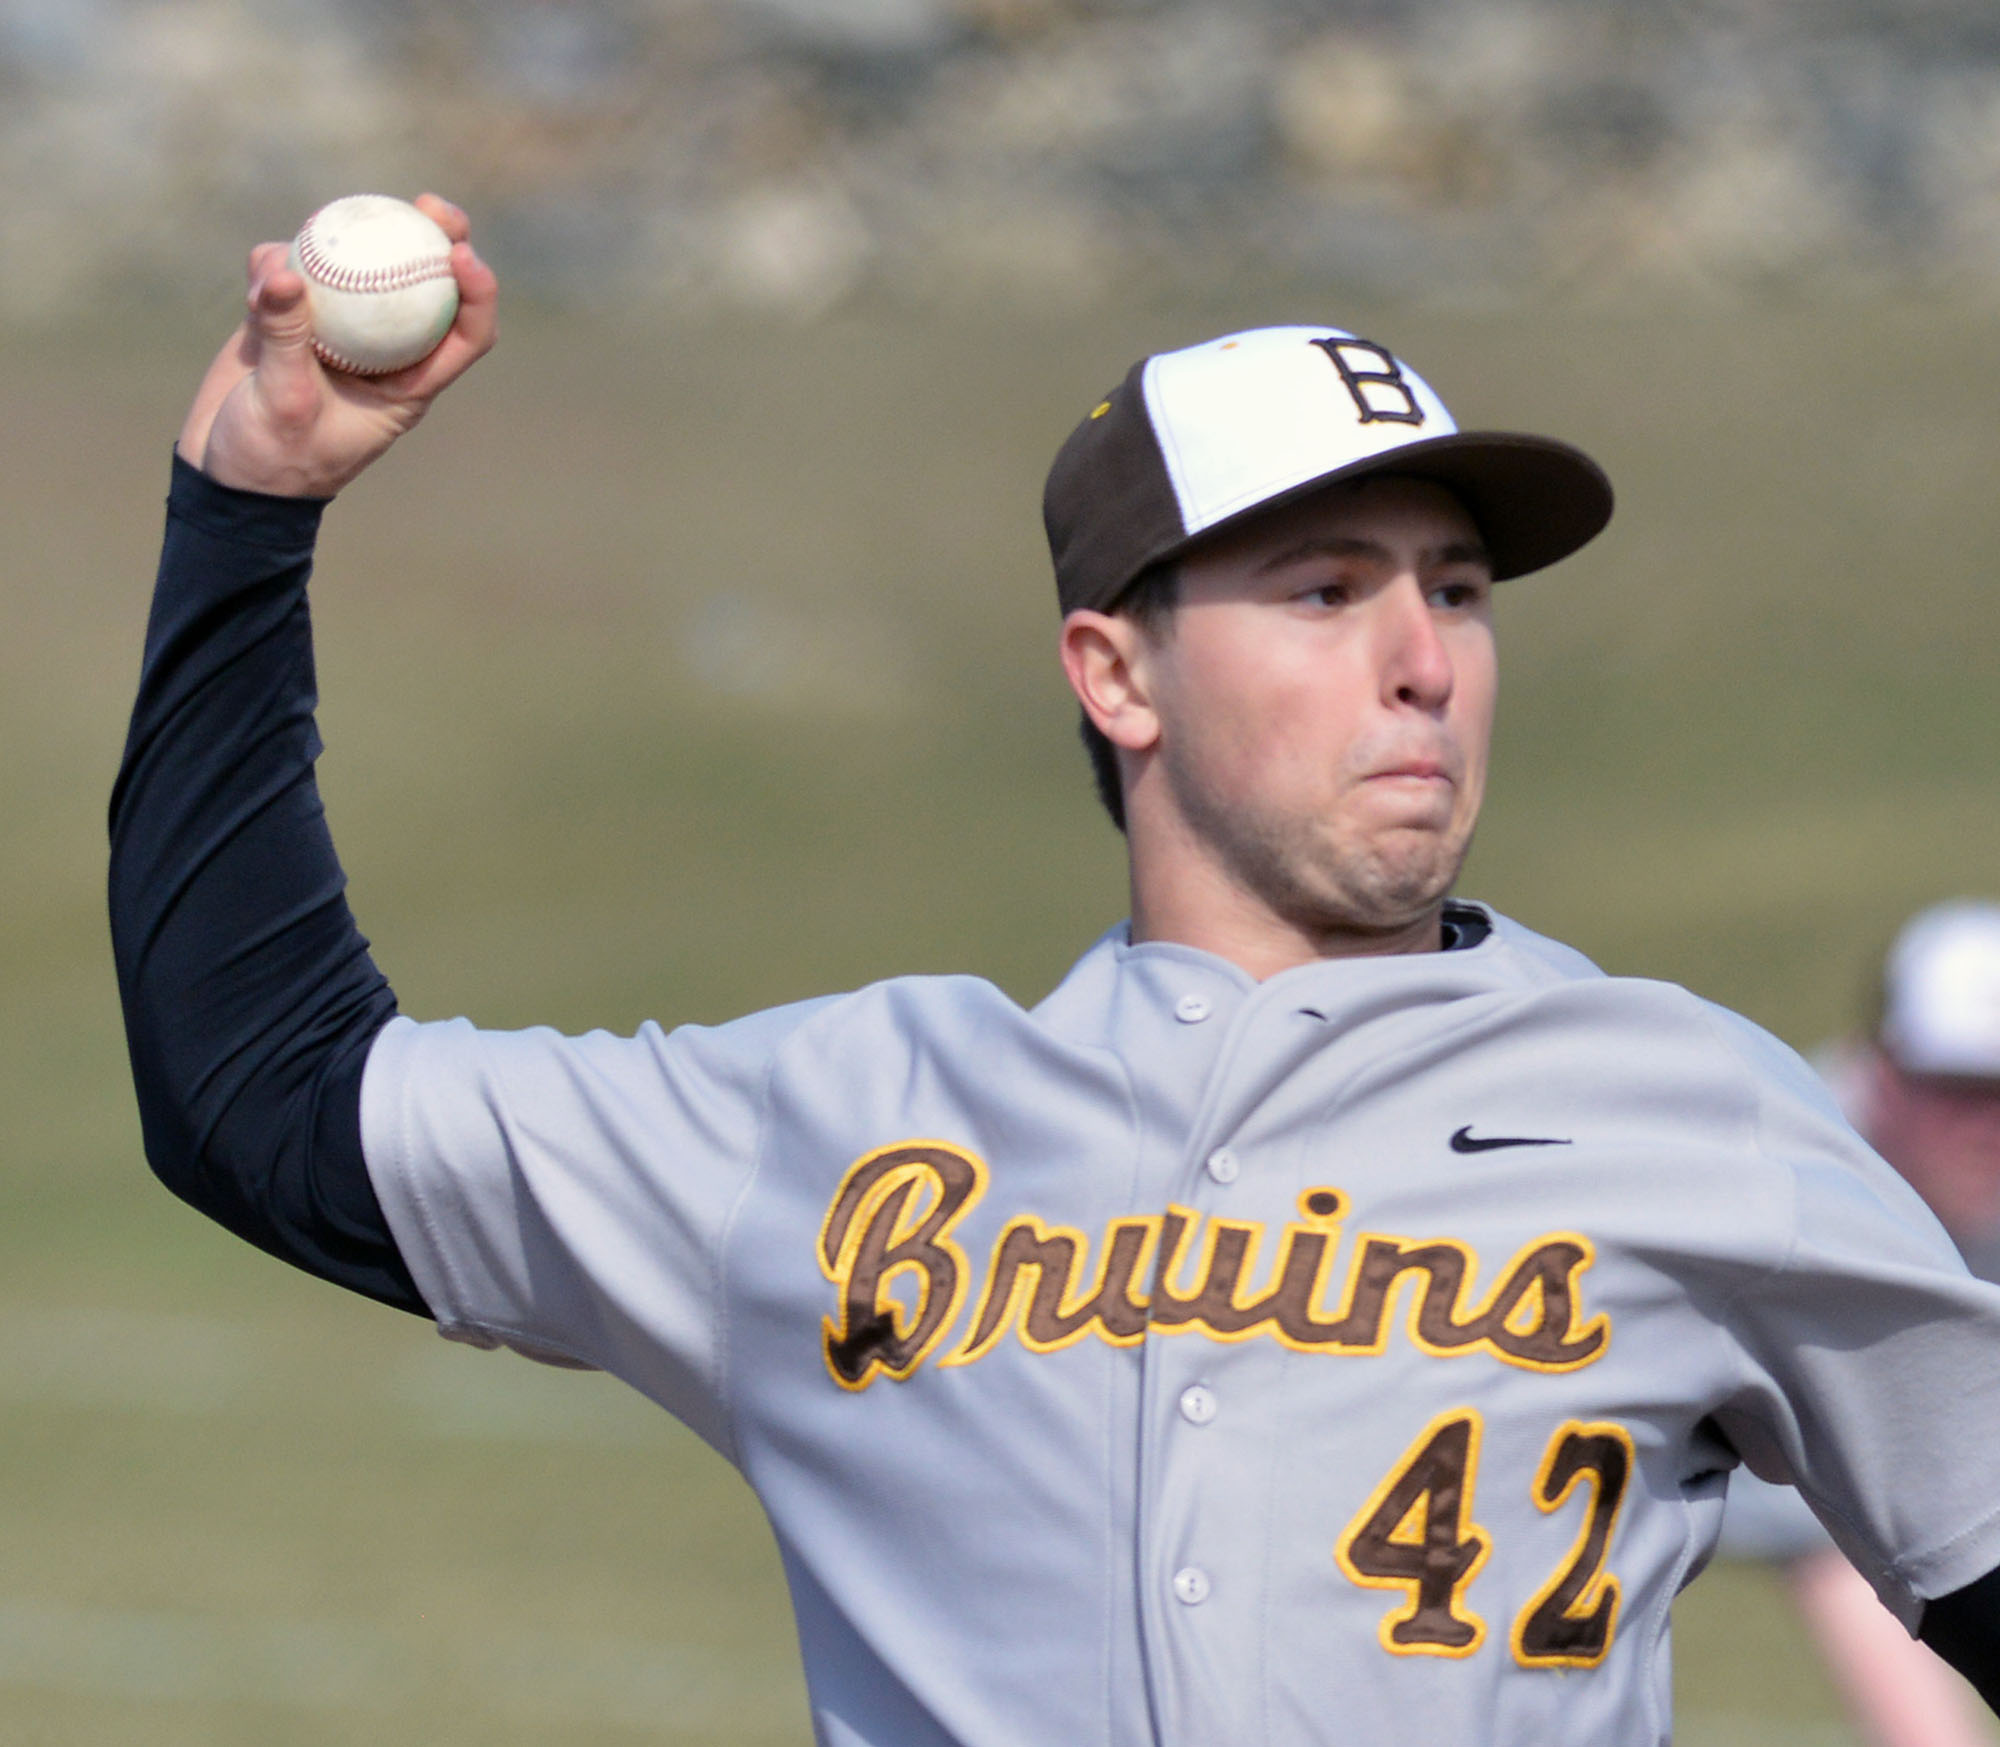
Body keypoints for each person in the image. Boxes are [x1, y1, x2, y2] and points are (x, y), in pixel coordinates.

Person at [110, 195, 2000, 1745]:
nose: (1425, 656)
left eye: (1457, 587)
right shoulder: (839, 1131)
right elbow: (264, 1090)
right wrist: (247, 509)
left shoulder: (1687, 1106)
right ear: (1115, 676)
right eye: (1328, 591)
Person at [1717, 901, 2000, 1747]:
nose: (1988, 1126)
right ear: (1883, 1072)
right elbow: (1844, 1500)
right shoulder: (1780, 1191)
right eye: (1958, 1089)